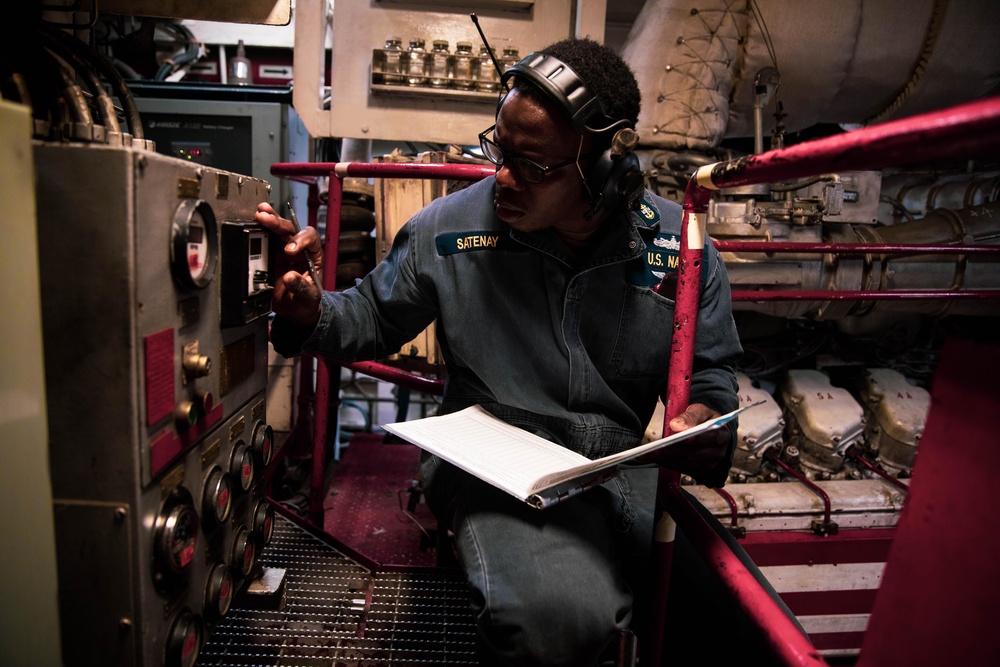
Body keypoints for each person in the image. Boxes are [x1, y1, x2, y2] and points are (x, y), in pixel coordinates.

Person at [258, 38, 745, 666]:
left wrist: (707, 424)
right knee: (554, 620)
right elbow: (371, 317)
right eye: (500, 151)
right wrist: (309, 311)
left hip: (625, 470)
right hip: (494, 466)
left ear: (602, 168)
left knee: (730, 625)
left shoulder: (683, 249)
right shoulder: (449, 228)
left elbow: (711, 378)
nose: (504, 178)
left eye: (534, 165)